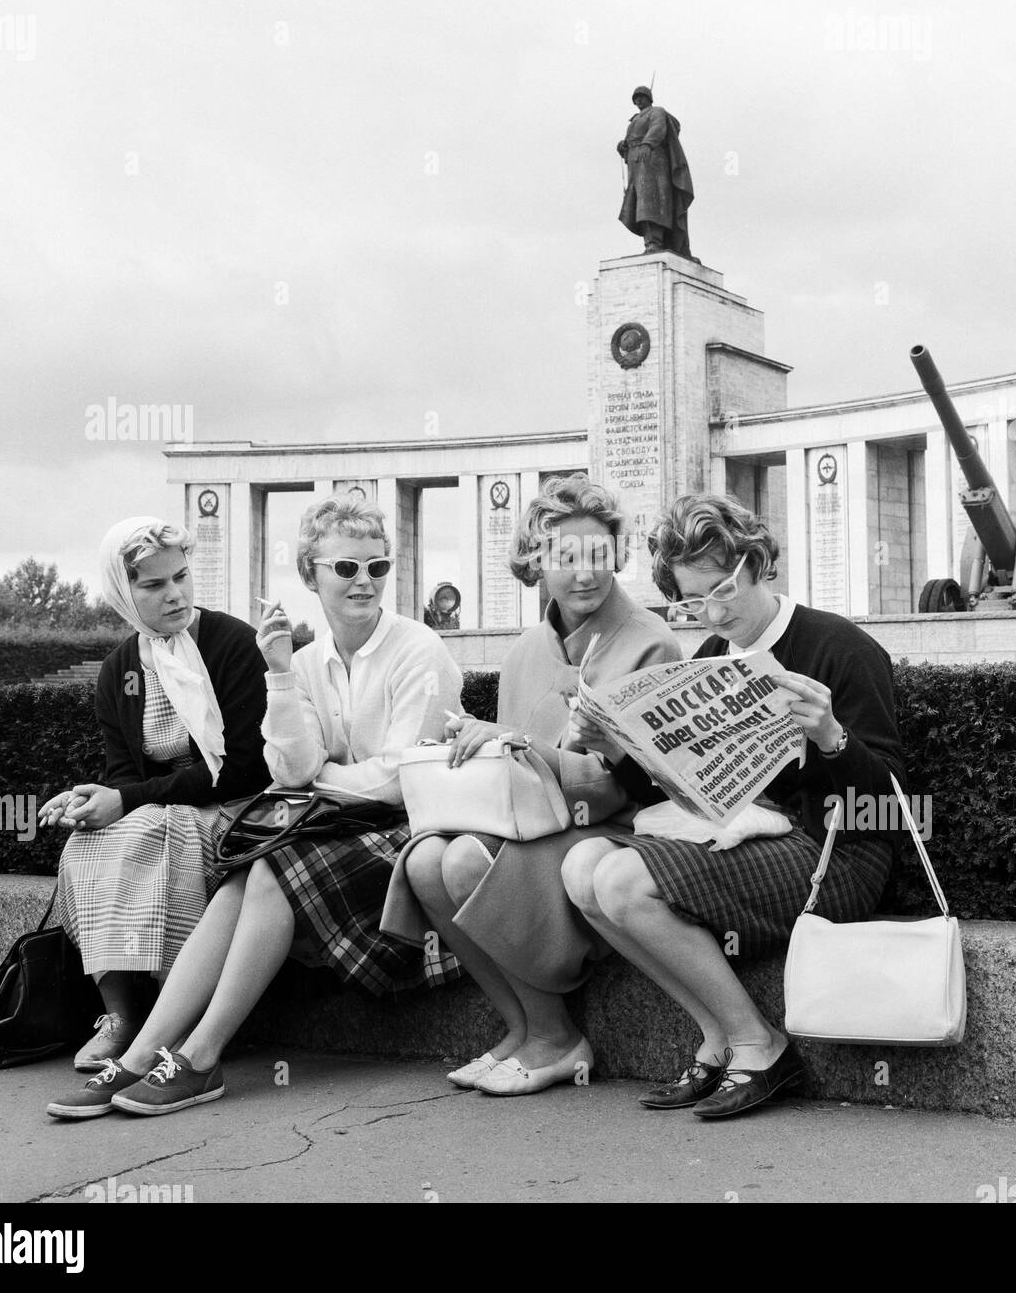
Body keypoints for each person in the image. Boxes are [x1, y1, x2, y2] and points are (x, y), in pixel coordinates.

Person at [46, 493, 463, 1119]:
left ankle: (202, 1055)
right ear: (310, 575)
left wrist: (322, 775)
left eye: (377, 567)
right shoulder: (302, 660)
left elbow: (402, 780)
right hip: (337, 825)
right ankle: (142, 1055)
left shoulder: (420, 649)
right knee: (245, 875)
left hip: (408, 829)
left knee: (265, 868)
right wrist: (279, 678)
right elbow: (293, 770)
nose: (364, 581)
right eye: (345, 568)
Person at [562, 493, 907, 1120]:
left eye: (721, 589)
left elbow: (888, 805)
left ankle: (762, 1045)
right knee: (582, 867)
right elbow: (670, 787)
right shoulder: (712, 658)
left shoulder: (839, 648)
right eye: (692, 602)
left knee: (620, 877)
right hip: (741, 839)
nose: (711, 611)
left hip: (838, 856)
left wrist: (832, 737)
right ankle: (719, 1038)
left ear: (754, 562)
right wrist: (612, 744)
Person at [381, 474, 682, 1096]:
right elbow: (513, 774)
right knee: (425, 860)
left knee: (464, 859)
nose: (585, 573)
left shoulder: (653, 641)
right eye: (565, 557)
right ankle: (520, 1029)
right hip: (531, 825)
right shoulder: (524, 651)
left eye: (598, 555)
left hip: (610, 829)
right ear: (537, 562)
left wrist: (519, 744)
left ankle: (555, 1035)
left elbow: (629, 787)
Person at [44, 517, 269, 1072]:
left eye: (181, 577)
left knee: (159, 829)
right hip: (162, 806)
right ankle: (119, 1014)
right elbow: (124, 778)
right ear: (125, 594)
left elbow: (245, 768)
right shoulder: (119, 669)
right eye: (152, 585)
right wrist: (91, 800)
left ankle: (179, 1006)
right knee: (86, 843)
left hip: (236, 802)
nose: (175, 594)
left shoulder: (232, 643)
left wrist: (129, 801)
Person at [617, 84, 694, 258]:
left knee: (652, 202)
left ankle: (656, 241)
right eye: (635, 98)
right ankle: (650, 242)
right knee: (639, 203)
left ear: (649, 98)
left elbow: (658, 128)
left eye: (641, 96)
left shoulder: (656, 112)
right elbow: (630, 141)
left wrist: (647, 143)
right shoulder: (635, 120)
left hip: (653, 161)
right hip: (637, 163)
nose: (638, 100)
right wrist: (623, 146)